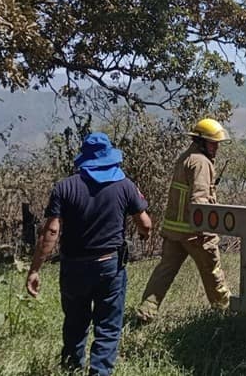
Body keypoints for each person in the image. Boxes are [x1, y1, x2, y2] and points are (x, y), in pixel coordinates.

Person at [26, 132, 152, 376]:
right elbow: (145, 224)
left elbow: (51, 231)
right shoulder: (125, 185)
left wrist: (35, 269)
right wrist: (144, 235)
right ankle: (100, 372)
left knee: (75, 321)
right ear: (110, 158)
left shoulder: (65, 187)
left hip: (73, 266)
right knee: (108, 326)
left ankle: (71, 368)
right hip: (109, 266)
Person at [136, 118, 231, 323]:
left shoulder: (186, 158)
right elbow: (200, 201)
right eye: (213, 143)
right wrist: (202, 232)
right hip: (195, 233)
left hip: (173, 232)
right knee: (213, 273)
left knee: (164, 272)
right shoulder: (201, 163)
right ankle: (224, 315)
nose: (216, 147)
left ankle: (146, 311)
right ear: (200, 141)